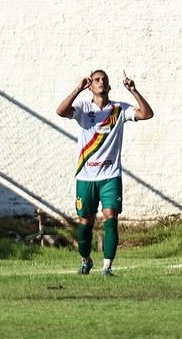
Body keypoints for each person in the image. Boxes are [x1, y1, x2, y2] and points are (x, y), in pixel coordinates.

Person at [57, 69, 154, 275]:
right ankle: (86, 260)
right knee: (85, 224)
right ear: (90, 86)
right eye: (96, 80)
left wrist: (134, 91)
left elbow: (147, 114)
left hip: (110, 176)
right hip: (86, 176)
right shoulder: (83, 108)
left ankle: (107, 267)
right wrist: (77, 89)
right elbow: (61, 111)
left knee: (111, 218)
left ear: (109, 86)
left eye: (104, 80)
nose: (101, 83)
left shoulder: (118, 109)